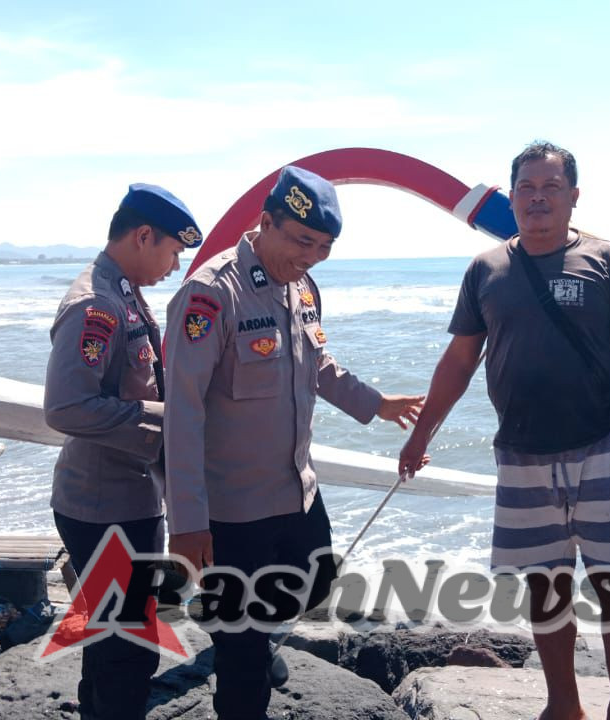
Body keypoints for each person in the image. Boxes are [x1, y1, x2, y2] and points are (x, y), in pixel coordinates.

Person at [398, 142, 610, 720]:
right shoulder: (486, 269)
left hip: (606, 447)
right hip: (521, 453)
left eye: (550, 187)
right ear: (511, 195)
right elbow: (459, 361)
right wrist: (422, 434)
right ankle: (563, 705)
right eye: (526, 187)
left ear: (573, 197)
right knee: (546, 587)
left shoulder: (608, 261)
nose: (538, 197)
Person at [162, 165, 425, 720]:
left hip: (295, 491)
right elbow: (181, 413)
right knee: (244, 653)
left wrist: (376, 404)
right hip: (233, 509)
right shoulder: (211, 293)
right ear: (266, 223)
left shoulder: (303, 288)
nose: (311, 256)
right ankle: (240, 653)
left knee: (317, 581)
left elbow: (317, 365)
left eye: (324, 246)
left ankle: (235, 633)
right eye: (302, 241)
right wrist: (186, 522)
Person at [44, 183, 203, 720]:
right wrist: (164, 421)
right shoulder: (97, 303)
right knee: (127, 648)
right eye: (173, 252)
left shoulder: (125, 292)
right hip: (102, 505)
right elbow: (65, 407)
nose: (175, 265)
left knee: (115, 641)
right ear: (142, 236)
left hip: (127, 500)